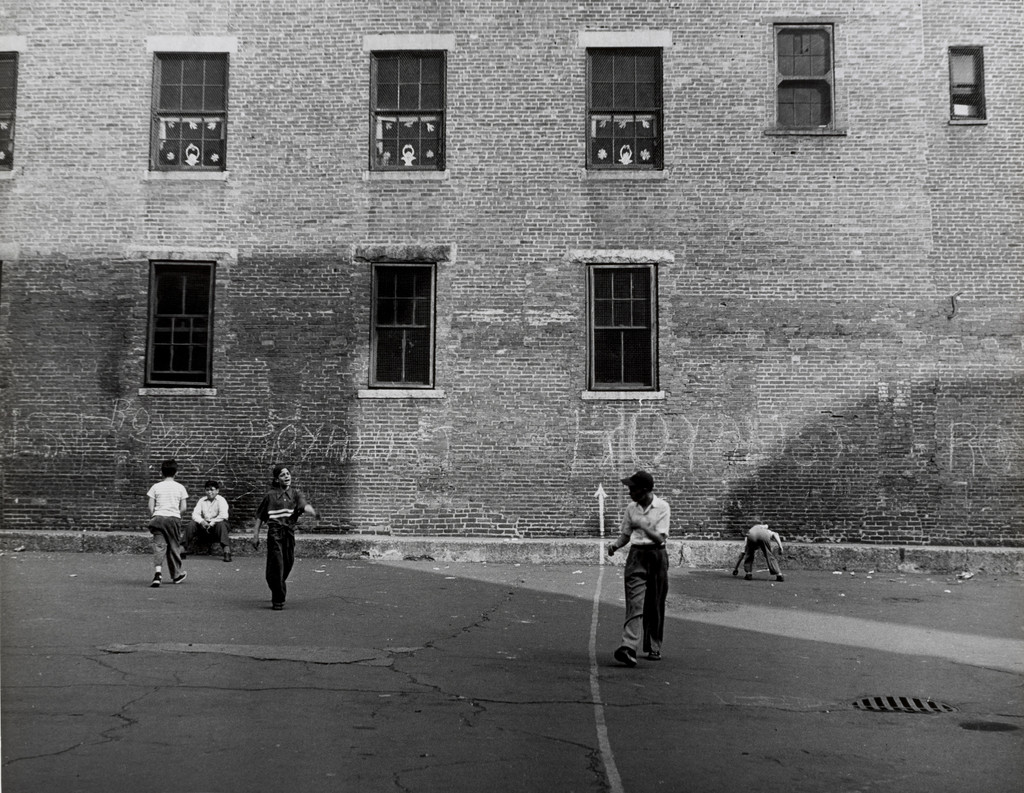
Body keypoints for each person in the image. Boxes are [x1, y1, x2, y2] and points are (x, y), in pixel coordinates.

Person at [606, 470, 670, 666]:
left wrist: (643, 525)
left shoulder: (662, 507)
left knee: (655, 603)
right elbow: (626, 534)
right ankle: (628, 647)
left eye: (632, 489)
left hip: (657, 555)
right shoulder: (631, 508)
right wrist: (615, 546)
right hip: (637, 556)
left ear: (644, 491)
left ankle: (654, 646)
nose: (629, 493)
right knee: (634, 602)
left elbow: (660, 538)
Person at [253, 464, 316, 610]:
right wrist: (255, 535)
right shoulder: (270, 496)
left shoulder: (295, 494)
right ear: (276, 479)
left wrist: (312, 511)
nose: (287, 476)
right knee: (277, 564)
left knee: (287, 563)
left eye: (288, 474)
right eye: (282, 475)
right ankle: (278, 600)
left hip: (289, 533)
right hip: (274, 533)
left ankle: (275, 583)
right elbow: (259, 517)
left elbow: (303, 505)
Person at [146, 459, 188, 588]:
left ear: (162, 473)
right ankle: (176, 575)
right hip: (173, 519)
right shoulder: (180, 487)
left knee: (159, 546)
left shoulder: (156, 486)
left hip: (158, 518)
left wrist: (155, 515)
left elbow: (150, 506)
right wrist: (177, 516)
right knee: (173, 546)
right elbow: (184, 508)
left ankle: (158, 574)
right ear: (176, 472)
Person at [186, 479, 232, 562]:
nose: (209, 492)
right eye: (207, 490)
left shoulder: (221, 500)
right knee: (192, 524)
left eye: (212, 490)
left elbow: (224, 515)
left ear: (217, 491)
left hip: (218, 526)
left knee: (221, 524)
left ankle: (226, 551)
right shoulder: (202, 500)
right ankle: (181, 548)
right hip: (206, 526)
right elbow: (195, 514)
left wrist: (212, 523)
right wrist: (202, 521)